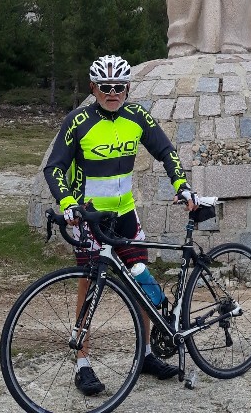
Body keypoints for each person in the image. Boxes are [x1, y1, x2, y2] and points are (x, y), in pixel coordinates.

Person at [44, 54, 194, 395]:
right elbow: (53, 167)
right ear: (94, 87)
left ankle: (144, 354)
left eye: (119, 87)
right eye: (106, 87)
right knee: (88, 288)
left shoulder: (136, 115)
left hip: (125, 215)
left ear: (127, 87)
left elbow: (166, 151)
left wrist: (180, 184)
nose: (113, 92)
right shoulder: (78, 120)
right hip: (91, 219)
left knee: (141, 280)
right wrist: (68, 202)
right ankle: (82, 363)